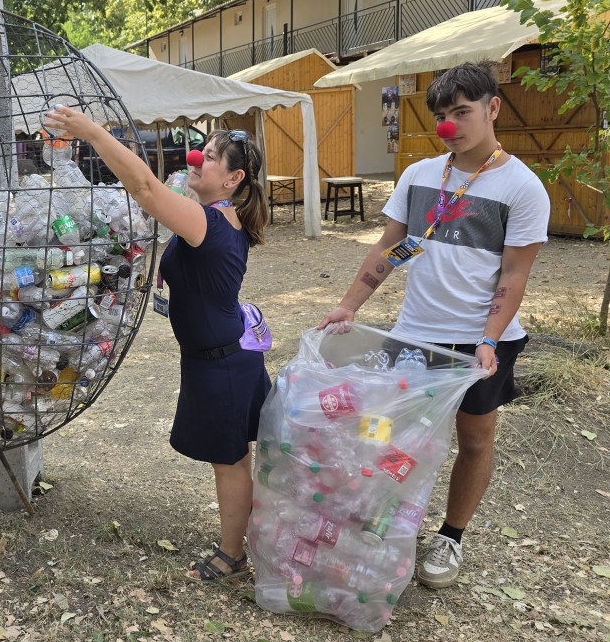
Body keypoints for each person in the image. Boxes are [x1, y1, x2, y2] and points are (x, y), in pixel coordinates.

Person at [317, 61, 550, 590]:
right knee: (395, 434)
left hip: (479, 342)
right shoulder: (419, 175)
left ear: (492, 108)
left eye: (462, 112)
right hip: (415, 333)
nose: (451, 125)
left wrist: (488, 339)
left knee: (473, 439)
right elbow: (395, 247)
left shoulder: (523, 187)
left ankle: (450, 536)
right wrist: (350, 303)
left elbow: (514, 274)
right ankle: (387, 519)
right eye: (443, 115)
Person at [46, 107, 271, 581]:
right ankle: (242, 545)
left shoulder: (209, 222)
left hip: (224, 365)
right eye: (202, 152)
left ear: (233, 179)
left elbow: (146, 188)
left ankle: (233, 556)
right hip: (216, 359)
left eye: (209, 157)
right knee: (230, 459)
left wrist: (92, 132)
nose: (196, 159)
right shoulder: (215, 217)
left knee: (229, 462)